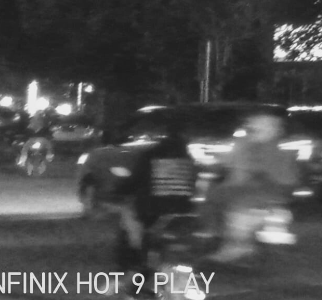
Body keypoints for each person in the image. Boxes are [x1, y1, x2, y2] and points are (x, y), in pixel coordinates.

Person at [205, 111, 299, 263]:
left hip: (251, 195)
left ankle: (231, 244)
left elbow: (234, 170)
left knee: (216, 201)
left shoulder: (248, 146)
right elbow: (289, 179)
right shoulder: (278, 149)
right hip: (273, 195)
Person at [113, 118, 196, 289]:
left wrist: (119, 189)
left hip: (152, 211)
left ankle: (131, 266)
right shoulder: (188, 158)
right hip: (182, 210)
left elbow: (135, 181)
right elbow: (192, 185)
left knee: (129, 224)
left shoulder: (151, 155)